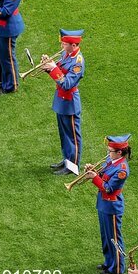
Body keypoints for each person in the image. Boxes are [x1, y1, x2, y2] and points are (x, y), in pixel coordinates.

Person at [44, 29, 85, 175]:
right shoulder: (66, 54)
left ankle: (72, 165)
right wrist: (49, 67)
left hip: (70, 103)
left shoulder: (78, 63)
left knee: (72, 136)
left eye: (65, 43)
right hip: (62, 101)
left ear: (74, 45)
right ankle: (66, 160)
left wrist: (53, 68)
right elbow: (59, 74)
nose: (62, 46)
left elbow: (67, 83)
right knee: (64, 134)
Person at [89, 134, 130, 274]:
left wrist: (94, 178)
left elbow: (108, 188)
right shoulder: (110, 160)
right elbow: (102, 176)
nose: (108, 154)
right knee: (106, 236)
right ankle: (109, 262)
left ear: (119, 152)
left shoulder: (122, 170)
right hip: (103, 204)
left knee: (114, 238)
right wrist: (93, 171)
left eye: (110, 151)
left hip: (112, 206)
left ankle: (117, 267)